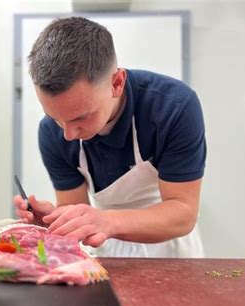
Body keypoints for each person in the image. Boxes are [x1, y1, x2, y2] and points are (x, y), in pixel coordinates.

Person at [14, 16, 206, 257]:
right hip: (106, 248)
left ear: (116, 83)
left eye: (80, 118)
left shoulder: (173, 107)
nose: (68, 134)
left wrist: (107, 221)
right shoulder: (51, 132)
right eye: (55, 117)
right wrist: (57, 221)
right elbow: (75, 206)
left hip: (171, 248)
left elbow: (182, 213)